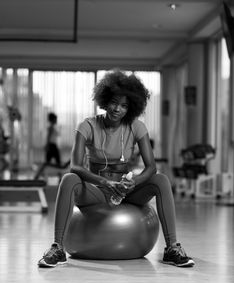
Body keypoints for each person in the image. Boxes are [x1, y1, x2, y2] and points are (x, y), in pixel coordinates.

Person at [38, 70, 195, 268]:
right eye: (114, 102)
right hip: (96, 189)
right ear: (104, 101)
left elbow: (151, 167)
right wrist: (103, 182)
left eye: (124, 106)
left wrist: (134, 182)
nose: (117, 109)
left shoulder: (136, 126)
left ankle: (172, 247)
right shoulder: (87, 125)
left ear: (131, 108)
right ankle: (57, 248)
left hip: (125, 188)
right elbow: (75, 166)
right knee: (69, 178)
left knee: (161, 180)